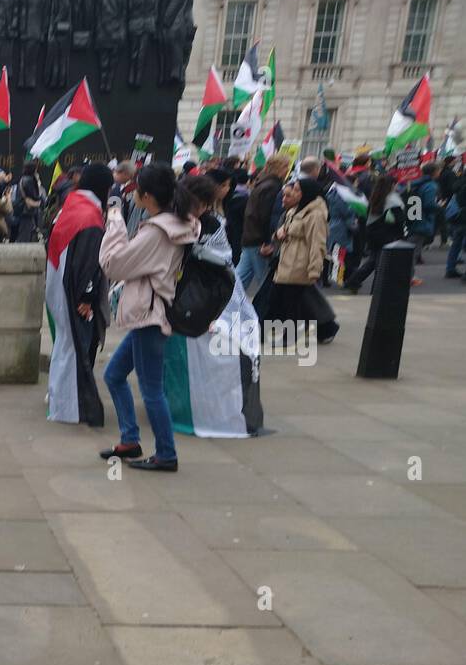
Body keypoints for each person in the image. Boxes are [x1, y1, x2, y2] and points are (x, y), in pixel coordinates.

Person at [98, 163, 200, 472]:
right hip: (155, 313)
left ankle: (166, 453)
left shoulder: (158, 232)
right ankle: (130, 439)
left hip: (149, 316)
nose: (133, 193)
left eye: (136, 189)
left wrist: (114, 220)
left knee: (152, 390)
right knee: (114, 375)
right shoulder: (181, 223)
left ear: (147, 196)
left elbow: (113, 264)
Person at [165, 173, 263, 438]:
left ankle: (206, 407)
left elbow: (221, 264)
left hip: (209, 298)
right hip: (188, 299)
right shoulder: (179, 222)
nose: (204, 208)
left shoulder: (207, 224)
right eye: (200, 202)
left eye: (206, 203)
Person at [45, 162, 110, 426]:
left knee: (65, 345)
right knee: (74, 348)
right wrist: (86, 298)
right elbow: (87, 263)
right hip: (75, 292)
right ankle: (69, 408)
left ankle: (59, 400)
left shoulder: (72, 206)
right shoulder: (91, 217)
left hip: (59, 285)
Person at [256, 178, 337, 345]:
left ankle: (290, 335)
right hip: (285, 262)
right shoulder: (295, 211)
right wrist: (277, 235)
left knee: (292, 304)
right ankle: (326, 328)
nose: (295, 193)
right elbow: (283, 229)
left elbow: (318, 244)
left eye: (298, 190)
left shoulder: (315, 215)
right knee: (284, 300)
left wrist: (315, 270)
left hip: (299, 264)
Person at [236, 152, 291, 300]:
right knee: (265, 284)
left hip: (250, 237)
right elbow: (268, 216)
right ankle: (265, 316)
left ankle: (223, 310)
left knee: (239, 282)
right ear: (280, 167)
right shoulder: (273, 187)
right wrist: (269, 241)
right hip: (260, 241)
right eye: (287, 166)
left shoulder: (262, 184)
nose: (288, 169)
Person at [343, 173, 406, 293]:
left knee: (373, 260)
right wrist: (402, 235)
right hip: (387, 233)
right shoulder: (393, 200)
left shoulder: (376, 196)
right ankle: (376, 290)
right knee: (381, 264)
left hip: (372, 232)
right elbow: (399, 220)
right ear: (392, 185)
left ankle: (353, 281)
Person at [406, 161, 441, 282]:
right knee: (414, 251)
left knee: (411, 249)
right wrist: (439, 206)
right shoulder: (431, 186)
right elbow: (429, 204)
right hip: (422, 221)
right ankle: (409, 277)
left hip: (412, 218)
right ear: (434, 172)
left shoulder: (417, 183)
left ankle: (408, 275)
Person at [13, 161, 44, 242]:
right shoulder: (29, 180)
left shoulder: (23, 179)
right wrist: (38, 183)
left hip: (22, 209)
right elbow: (35, 196)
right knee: (25, 236)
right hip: (27, 210)